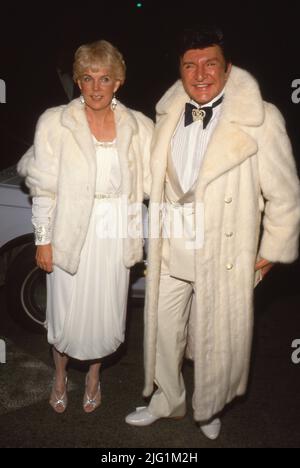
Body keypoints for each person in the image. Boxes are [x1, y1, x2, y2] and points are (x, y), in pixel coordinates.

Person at [125, 25, 300, 439]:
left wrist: (272, 249)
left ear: (227, 68)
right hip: (170, 247)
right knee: (163, 332)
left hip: (221, 251)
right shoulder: (167, 114)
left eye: (210, 64)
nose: (200, 74)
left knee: (213, 338)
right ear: (180, 70)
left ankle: (210, 407)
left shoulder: (261, 119)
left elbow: (286, 195)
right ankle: (167, 400)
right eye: (190, 65)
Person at [18, 40, 153, 413]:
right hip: (69, 231)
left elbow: (157, 182)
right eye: (88, 78)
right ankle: (60, 375)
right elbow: (44, 189)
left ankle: (94, 376)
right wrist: (43, 240)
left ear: (118, 82)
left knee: (105, 312)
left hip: (114, 235)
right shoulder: (55, 122)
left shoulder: (138, 127)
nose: (96, 87)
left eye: (105, 78)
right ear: (78, 80)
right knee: (65, 312)